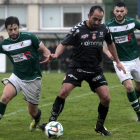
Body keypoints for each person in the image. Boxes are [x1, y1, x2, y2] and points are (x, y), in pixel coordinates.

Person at [38, 6, 126, 136]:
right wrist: (55, 55)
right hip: (77, 67)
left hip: (95, 69)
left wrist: (117, 62)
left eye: (100, 20)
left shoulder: (104, 29)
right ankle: (51, 123)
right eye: (95, 19)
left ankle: (99, 127)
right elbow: (63, 43)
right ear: (89, 16)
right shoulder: (78, 29)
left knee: (106, 98)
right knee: (63, 91)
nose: (97, 22)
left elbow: (110, 44)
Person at [0, 16, 51, 131]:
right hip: (17, 76)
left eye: (15, 29)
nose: (13, 32)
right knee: (4, 98)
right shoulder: (4, 44)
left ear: (18, 27)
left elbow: (45, 50)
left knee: (32, 112)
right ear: (6, 30)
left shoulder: (30, 37)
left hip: (33, 78)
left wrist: (49, 56)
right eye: (10, 30)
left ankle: (37, 121)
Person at [105, 1, 140, 122]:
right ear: (114, 11)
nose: (119, 13)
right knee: (129, 87)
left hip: (135, 59)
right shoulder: (108, 26)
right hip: (120, 62)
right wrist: (108, 52)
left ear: (126, 11)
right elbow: (99, 41)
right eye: (117, 11)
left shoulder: (132, 22)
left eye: (121, 11)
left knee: (138, 88)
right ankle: (139, 114)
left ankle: (135, 99)